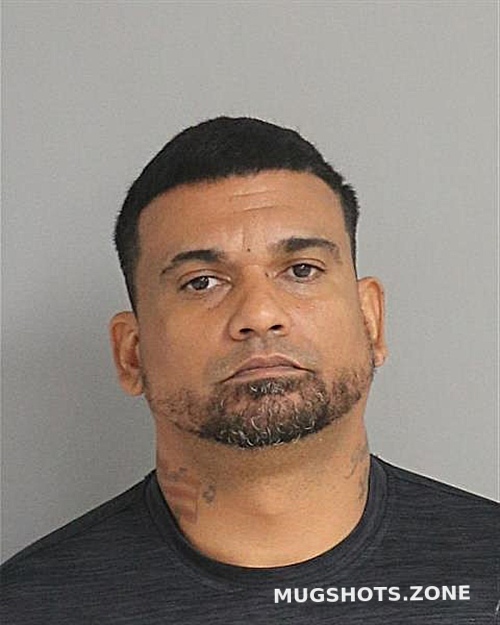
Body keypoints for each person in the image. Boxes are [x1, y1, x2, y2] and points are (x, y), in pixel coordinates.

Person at [1, 117, 498, 624]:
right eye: (201, 282)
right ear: (132, 354)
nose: (260, 314)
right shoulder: (27, 609)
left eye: (301, 270)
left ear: (371, 321)